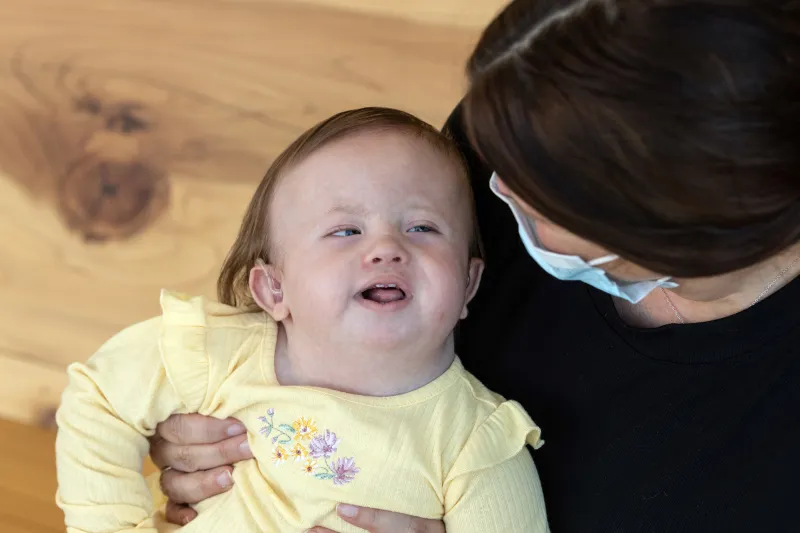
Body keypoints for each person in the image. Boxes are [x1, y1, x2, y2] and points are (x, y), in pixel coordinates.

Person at [148, 1, 800, 532]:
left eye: (534, 196)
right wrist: (214, 440)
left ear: (666, 235)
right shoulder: (514, 142)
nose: (492, 187)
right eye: (492, 154)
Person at [55, 107, 550, 533]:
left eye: (422, 227)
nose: (386, 249)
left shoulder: (479, 443)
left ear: (467, 284)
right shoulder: (219, 352)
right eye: (345, 230)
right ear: (274, 289)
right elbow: (100, 398)